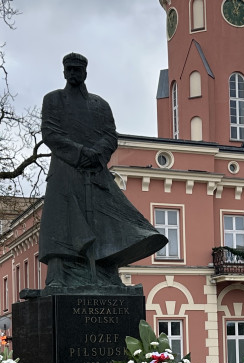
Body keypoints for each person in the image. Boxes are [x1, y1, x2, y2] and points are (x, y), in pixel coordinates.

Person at [38, 53, 166, 293]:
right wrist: (80, 153)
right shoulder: (53, 100)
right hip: (65, 171)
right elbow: (50, 133)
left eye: (78, 70)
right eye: (70, 69)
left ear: (85, 73)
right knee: (60, 224)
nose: (74, 73)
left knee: (106, 222)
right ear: (64, 72)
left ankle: (107, 272)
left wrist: (97, 154)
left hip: (96, 171)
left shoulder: (100, 105)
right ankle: (57, 276)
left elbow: (110, 136)